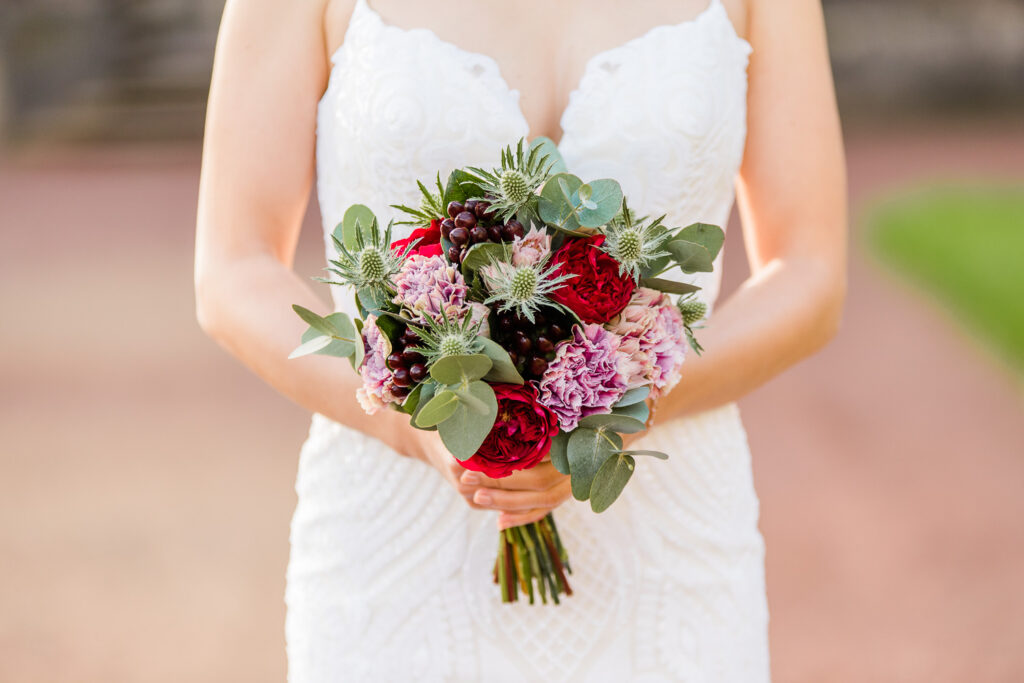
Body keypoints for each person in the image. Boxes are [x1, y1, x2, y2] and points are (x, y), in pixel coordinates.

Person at [194, 0, 846, 679]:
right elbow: (234, 270)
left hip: (671, 558)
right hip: (394, 554)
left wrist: (613, 416)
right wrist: (416, 425)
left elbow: (810, 273)